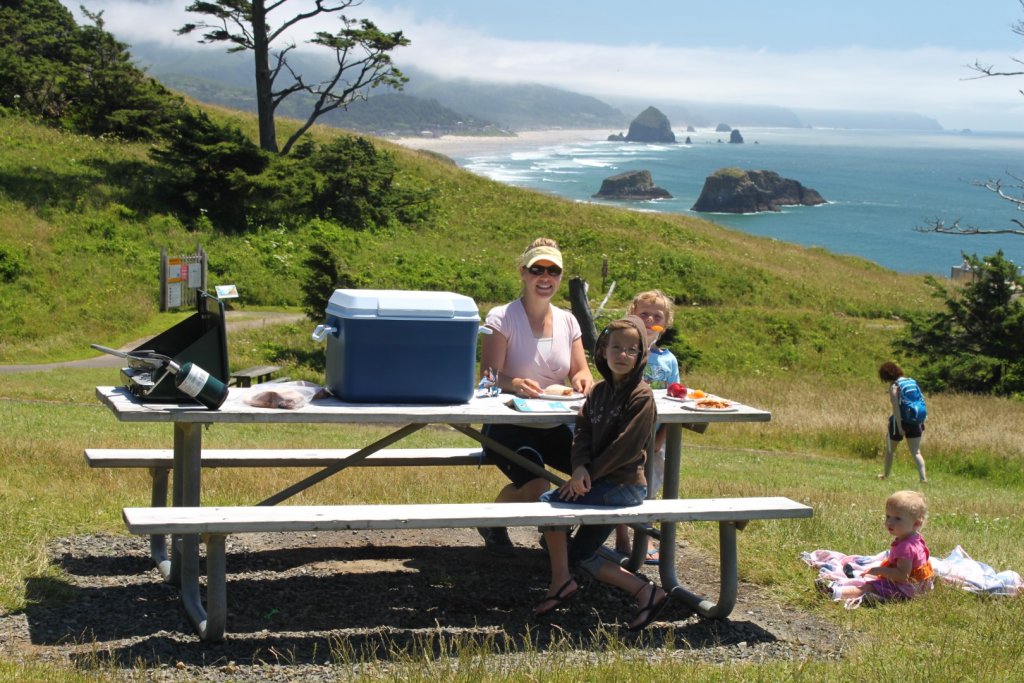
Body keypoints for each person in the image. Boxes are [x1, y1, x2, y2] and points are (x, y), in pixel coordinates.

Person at [534, 316, 671, 630]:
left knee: (547, 505)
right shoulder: (598, 392)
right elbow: (582, 430)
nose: (622, 355)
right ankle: (647, 592)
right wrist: (580, 466)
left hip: (623, 486)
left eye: (631, 350)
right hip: (599, 481)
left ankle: (560, 582)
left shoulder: (641, 396)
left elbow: (626, 449)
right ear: (603, 351)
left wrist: (589, 475)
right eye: (616, 348)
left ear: (641, 356)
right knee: (579, 552)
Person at [476, 238, 595, 556]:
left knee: (600, 469)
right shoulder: (501, 317)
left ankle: (557, 530)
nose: (546, 278)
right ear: (523, 273)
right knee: (536, 484)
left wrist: (583, 381)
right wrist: (514, 383)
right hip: (507, 423)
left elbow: (581, 372)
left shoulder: (569, 321)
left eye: (553, 271)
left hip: (555, 423)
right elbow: (488, 379)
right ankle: (491, 521)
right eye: (537, 269)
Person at [614, 289, 679, 564]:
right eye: (644, 314)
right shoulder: (625, 352)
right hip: (625, 434)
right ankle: (621, 535)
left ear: (665, 325)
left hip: (656, 438)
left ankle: (646, 534)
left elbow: (675, 400)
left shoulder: (668, 360)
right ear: (632, 317)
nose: (650, 319)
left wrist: (662, 437)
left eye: (657, 316)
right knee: (620, 481)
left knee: (649, 487)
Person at [827, 490, 935, 605]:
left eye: (897, 518)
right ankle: (860, 579)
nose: (889, 522)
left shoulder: (906, 547)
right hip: (919, 587)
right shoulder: (915, 538)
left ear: (916, 524)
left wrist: (879, 570)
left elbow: (903, 576)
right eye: (888, 516)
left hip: (906, 590)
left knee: (869, 586)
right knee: (874, 574)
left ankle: (834, 592)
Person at [877, 361, 927, 483]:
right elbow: (921, 399)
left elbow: (896, 408)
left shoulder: (895, 386)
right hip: (916, 421)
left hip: (901, 421)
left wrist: (899, 426)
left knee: (890, 450)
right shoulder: (911, 381)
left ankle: (886, 475)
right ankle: (923, 478)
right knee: (916, 452)